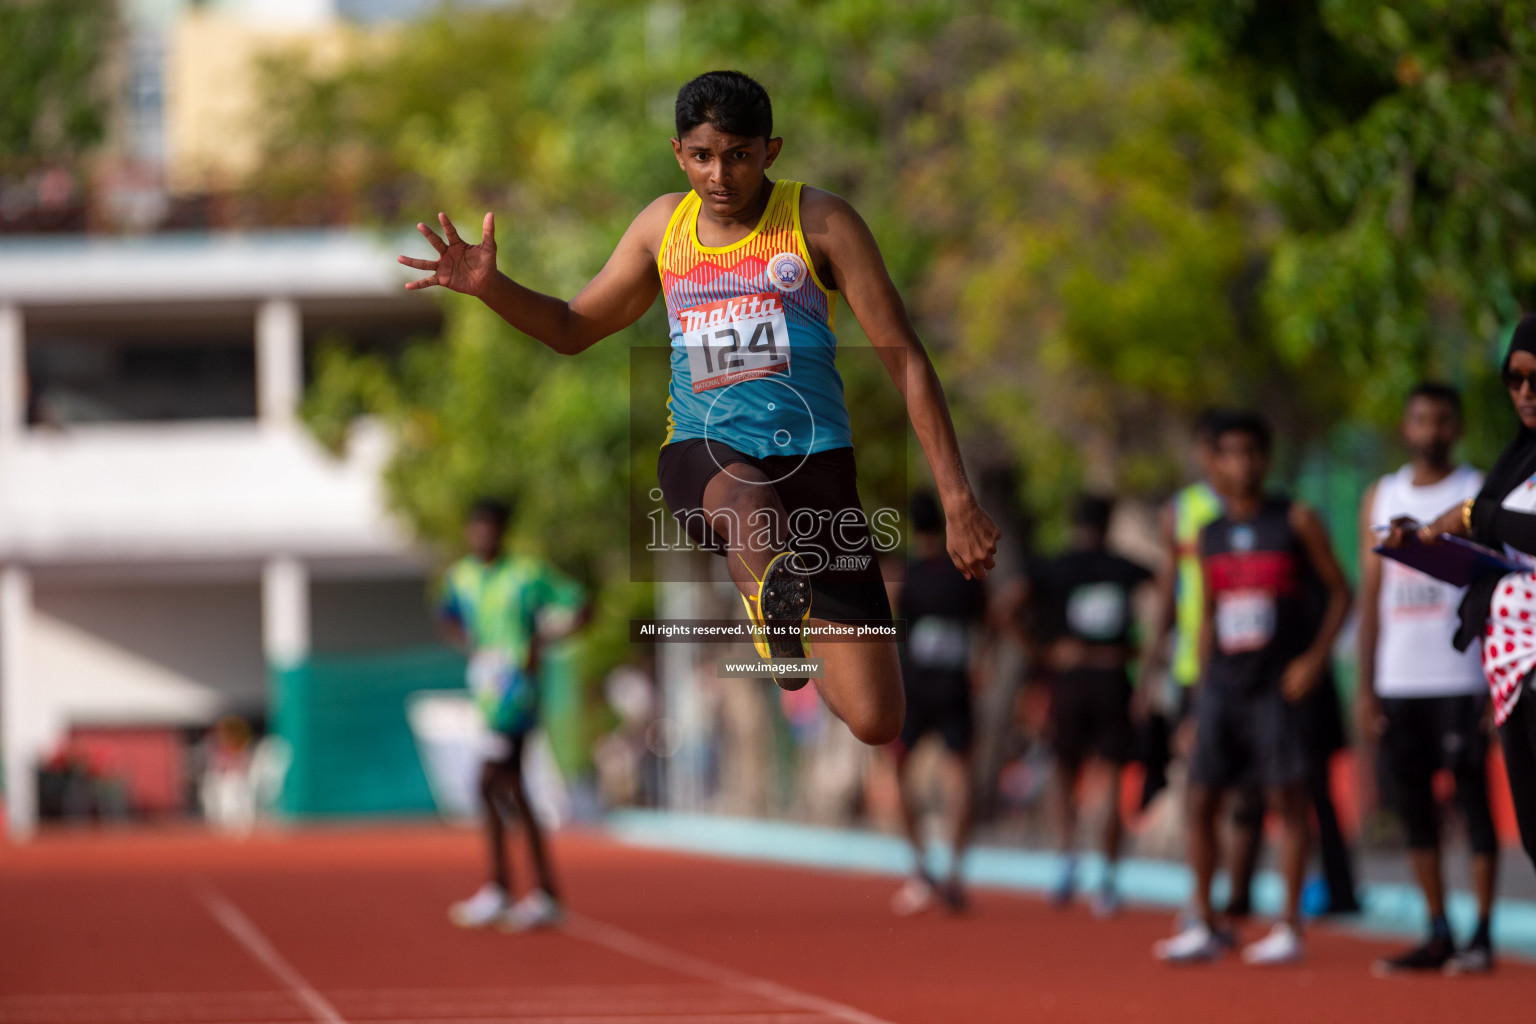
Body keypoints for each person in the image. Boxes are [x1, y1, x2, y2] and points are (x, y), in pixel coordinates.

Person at [397, 70, 999, 746]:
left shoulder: (821, 222)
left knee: (877, 719)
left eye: (739, 155)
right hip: (706, 455)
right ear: (680, 152)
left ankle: (787, 628)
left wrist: (957, 498)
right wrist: (492, 287)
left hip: (816, 464)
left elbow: (908, 360)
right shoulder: (663, 227)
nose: (721, 175)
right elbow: (572, 328)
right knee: (751, 505)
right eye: (704, 156)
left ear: (770, 152)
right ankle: (772, 617)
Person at [1154, 411, 1352, 966]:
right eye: (1230, 453)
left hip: (1277, 686)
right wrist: (1196, 699)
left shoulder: (1296, 519)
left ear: (1266, 458)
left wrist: (1314, 660)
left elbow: (1342, 592)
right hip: (1221, 687)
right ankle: (1207, 919)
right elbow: (1211, 616)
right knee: (1201, 801)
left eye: (1251, 452)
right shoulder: (1208, 535)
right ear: (1212, 461)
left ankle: (1288, 926)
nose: (1241, 464)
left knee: (1287, 801)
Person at [1360, 382, 1497, 975]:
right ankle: (1437, 929)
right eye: (1421, 420)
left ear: (1457, 427)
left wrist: (1498, 684)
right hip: (1400, 681)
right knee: (1415, 810)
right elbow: (1372, 598)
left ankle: (1483, 933)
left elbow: (1501, 589)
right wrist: (1365, 687)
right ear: (1405, 427)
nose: (1432, 430)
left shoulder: (1476, 492)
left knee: (1473, 802)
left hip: (1461, 677)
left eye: (1443, 420)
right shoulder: (1382, 495)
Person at [1397, 314, 1536, 876]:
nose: (1525, 393)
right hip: (1510, 668)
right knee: (1534, 836)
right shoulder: (1517, 458)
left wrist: (1478, 515)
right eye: (1514, 379)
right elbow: (1495, 541)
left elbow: (1503, 524)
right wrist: (1432, 543)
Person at [439, 498, 591, 931]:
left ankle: (503, 888)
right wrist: (471, 646)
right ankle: (536, 892)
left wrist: (542, 642)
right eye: (476, 527)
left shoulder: (527, 574)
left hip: (517, 694)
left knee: (487, 782)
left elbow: (581, 604)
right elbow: (446, 616)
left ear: (503, 531)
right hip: (486, 694)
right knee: (510, 789)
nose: (482, 535)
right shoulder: (462, 576)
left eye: (490, 527)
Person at [1025, 494, 1153, 916]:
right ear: (1110, 522)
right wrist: (1146, 656)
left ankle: (1067, 858)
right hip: (1113, 677)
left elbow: (1007, 607)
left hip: (1071, 679)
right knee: (1114, 776)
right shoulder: (1124, 567)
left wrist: (1041, 650)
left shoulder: (1055, 567)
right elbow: (1166, 587)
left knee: (1065, 770)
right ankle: (1108, 879)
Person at [888, 490, 988, 916]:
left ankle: (920, 865)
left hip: (913, 687)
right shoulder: (967, 573)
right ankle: (954, 871)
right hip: (955, 684)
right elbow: (987, 627)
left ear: (913, 528)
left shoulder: (904, 574)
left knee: (897, 772)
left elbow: (887, 629)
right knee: (958, 773)